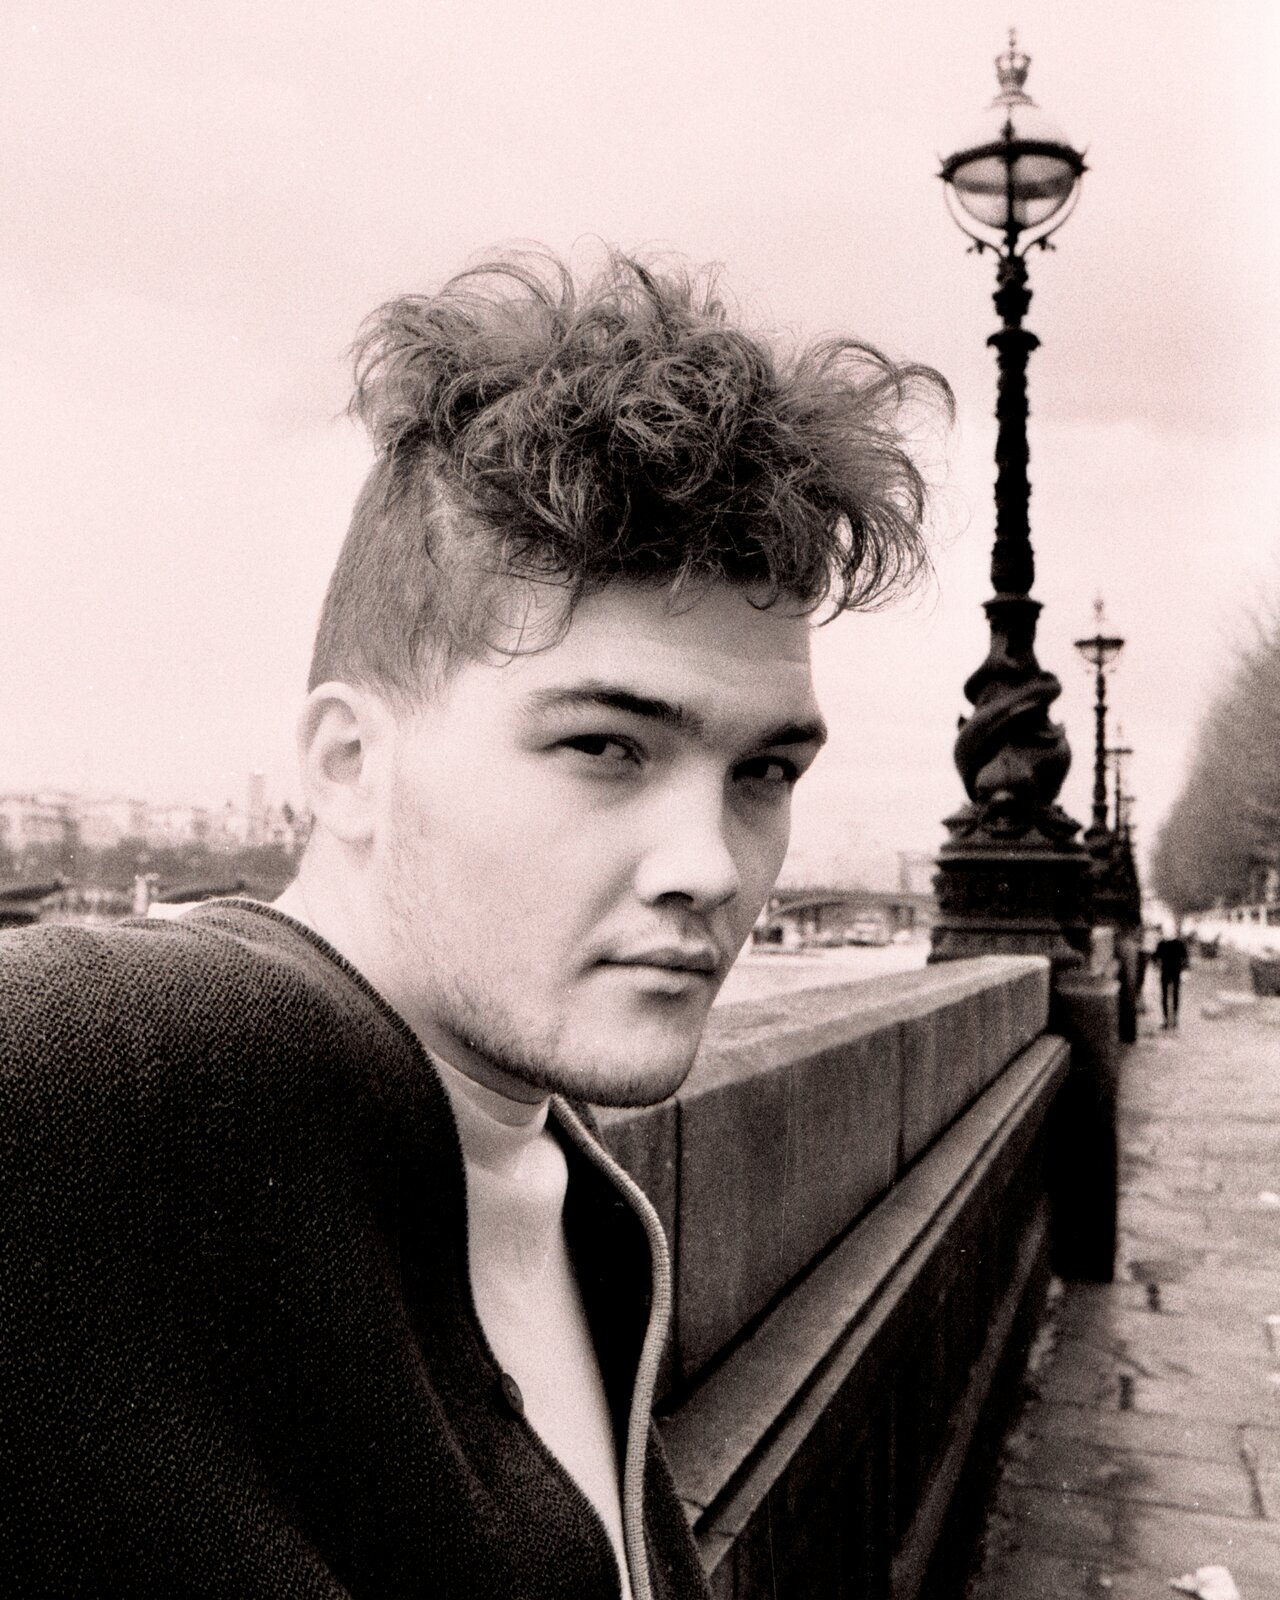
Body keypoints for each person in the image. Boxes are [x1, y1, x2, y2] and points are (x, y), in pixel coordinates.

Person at [0, 252, 949, 1598]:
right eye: (605, 747)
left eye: (764, 771)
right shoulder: (150, 1060)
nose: (711, 865)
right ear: (347, 765)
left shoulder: (568, 1185)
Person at [1154, 925, 1190, 1029]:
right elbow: (1185, 958)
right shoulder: (1179, 943)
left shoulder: (1162, 943)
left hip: (1165, 971)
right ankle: (1174, 1019)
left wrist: (1157, 966)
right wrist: (1185, 969)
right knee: (1175, 995)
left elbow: (1155, 958)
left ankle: (1166, 1020)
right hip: (1176, 971)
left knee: (1165, 996)